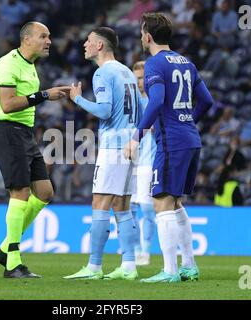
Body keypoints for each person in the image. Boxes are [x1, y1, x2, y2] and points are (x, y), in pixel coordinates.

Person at [124, 13, 214, 283]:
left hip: (172, 142)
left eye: (142, 33)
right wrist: (186, 121)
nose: (141, 37)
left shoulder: (154, 64)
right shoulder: (186, 62)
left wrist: (136, 136)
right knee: (175, 203)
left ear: (148, 36)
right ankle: (189, 265)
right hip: (190, 138)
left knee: (161, 201)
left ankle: (170, 271)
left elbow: (156, 101)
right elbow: (206, 101)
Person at [0, 21, 70, 278]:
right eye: (43, 36)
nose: (48, 41)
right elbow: (8, 104)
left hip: (24, 132)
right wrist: (44, 95)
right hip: (7, 129)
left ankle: (4, 248)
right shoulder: (8, 63)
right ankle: (12, 262)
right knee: (20, 191)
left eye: (49, 36)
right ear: (26, 40)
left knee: (44, 192)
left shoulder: (30, 67)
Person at [64, 27, 142, 280]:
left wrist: (76, 98)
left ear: (99, 45)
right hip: (132, 145)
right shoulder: (127, 72)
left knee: (100, 202)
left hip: (113, 147)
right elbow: (141, 108)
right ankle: (129, 265)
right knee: (123, 205)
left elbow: (105, 111)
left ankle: (94, 266)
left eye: (88, 41)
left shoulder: (103, 73)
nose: (84, 44)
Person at [130, 61, 156, 266]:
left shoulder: (156, 102)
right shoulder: (129, 102)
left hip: (148, 162)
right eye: (135, 77)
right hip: (129, 163)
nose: (138, 82)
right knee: (128, 209)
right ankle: (135, 250)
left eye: (141, 77)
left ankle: (145, 251)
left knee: (147, 209)